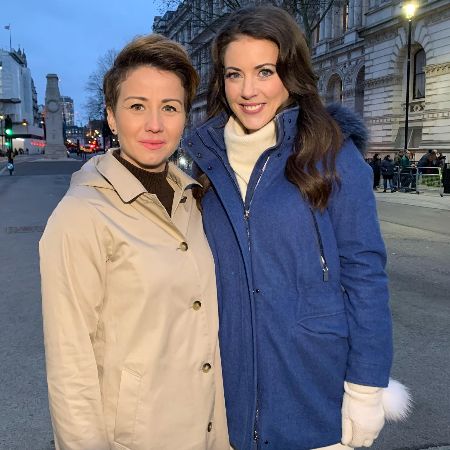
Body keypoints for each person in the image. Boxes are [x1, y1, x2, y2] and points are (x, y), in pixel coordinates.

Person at [186, 6, 410, 450]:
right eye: (234, 74)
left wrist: (365, 388)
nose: (248, 90)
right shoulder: (206, 162)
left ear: (290, 73)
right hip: (225, 402)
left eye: (265, 71)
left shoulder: (331, 154)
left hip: (315, 396)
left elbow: (364, 274)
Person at [40, 34, 229, 450]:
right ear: (111, 116)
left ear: (184, 116)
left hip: (209, 432)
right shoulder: (81, 215)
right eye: (137, 106)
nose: (154, 124)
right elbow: (70, 365)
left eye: (170, 107)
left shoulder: (194, 199)